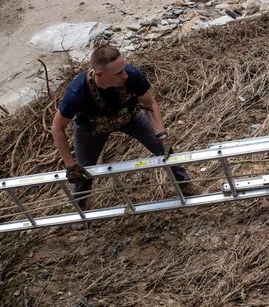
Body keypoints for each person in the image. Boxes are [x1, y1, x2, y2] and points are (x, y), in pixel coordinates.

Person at [51, 45, 190, 210]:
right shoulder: (77, 93)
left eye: (124, 68)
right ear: (101, 75)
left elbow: (150, 103)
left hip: (128, 117)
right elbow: (57, 128)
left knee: (164, 150)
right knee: (84, 171)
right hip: (92, 128)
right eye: (118, 73)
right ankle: (80, 210)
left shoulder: (131, 74)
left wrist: (161, 135)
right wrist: (70, 164)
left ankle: (185, 185)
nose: (125, 75)